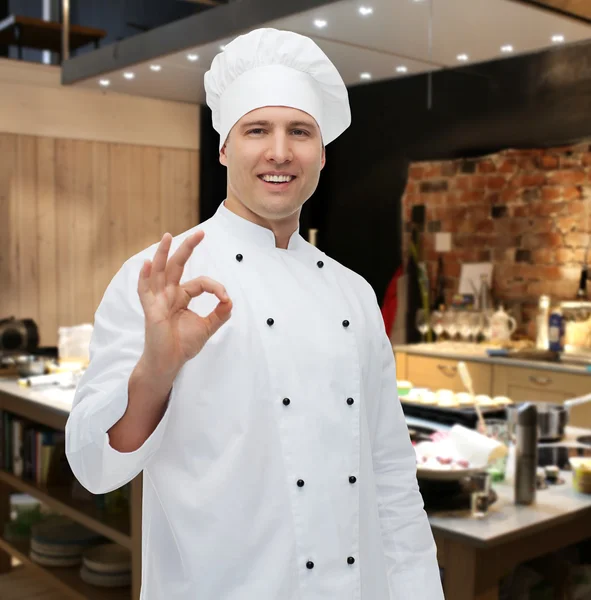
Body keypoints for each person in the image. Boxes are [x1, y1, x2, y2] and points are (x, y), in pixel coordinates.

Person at [65, 28, 444, 600]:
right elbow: (95, 468)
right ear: (223, 147)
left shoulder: (353, 294)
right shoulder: (159, 279)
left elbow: (390, 471)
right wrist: (156, 372)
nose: (279, 152)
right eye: (257, 130)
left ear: (321, 152)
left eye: (300, 132)